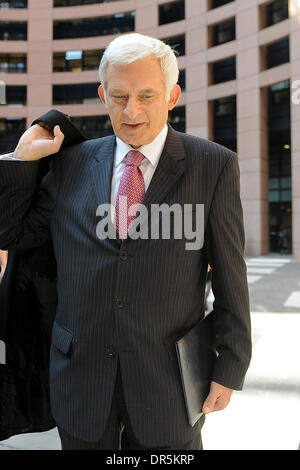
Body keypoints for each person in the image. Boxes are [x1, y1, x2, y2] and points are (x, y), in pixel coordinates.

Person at [0, 33, 251, 450]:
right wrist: (21, 161)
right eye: (118, 96)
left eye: (146, 96)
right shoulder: (70, 164)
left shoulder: (214, 165)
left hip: (168, 382)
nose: (131, 111)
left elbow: (231, 278)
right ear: (103, 94)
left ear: (172, 96)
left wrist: (230, 367)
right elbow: (13, 234)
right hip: (79, 377)